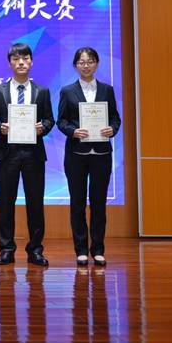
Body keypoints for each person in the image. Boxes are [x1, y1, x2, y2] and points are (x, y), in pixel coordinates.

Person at [0, 43, 55, 266]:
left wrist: (43, 128)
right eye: (16, 59)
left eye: (25, 58)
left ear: (31, 62)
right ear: (10, 63)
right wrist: (0, 127)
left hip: (33, 153)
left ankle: (35, 249)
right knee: (5, 203)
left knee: (35, 203)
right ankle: (6, 249)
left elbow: (49, 119)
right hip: (7, 153)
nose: (21, 63)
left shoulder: (42, 91)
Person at [57, 47, 121, 266]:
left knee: (99, 202)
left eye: (90, 61)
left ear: (96, 64)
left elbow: (115, 118)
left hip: (101, 153)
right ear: (76, 65)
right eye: (82, 62)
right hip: (76, 153)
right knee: (77, 202)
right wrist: (73, 131)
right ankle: (81, 250)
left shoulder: (107, 90)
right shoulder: (67, 91)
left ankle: (98, 249)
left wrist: (112, 129)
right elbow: (61, 121)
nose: (86, 65)